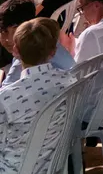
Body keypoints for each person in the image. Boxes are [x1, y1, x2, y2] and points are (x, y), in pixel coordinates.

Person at [0, 17, 76, 173]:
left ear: (15, 51)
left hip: (14, 167)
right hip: (54, 161)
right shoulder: (70, 80)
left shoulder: (6, 98)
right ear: (53, 52)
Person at [0, 0, 75, 86]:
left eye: (15, 30)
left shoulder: (25, 58)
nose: (8, 39)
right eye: (3, 32)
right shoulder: (50, 43)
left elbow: (4, 93)